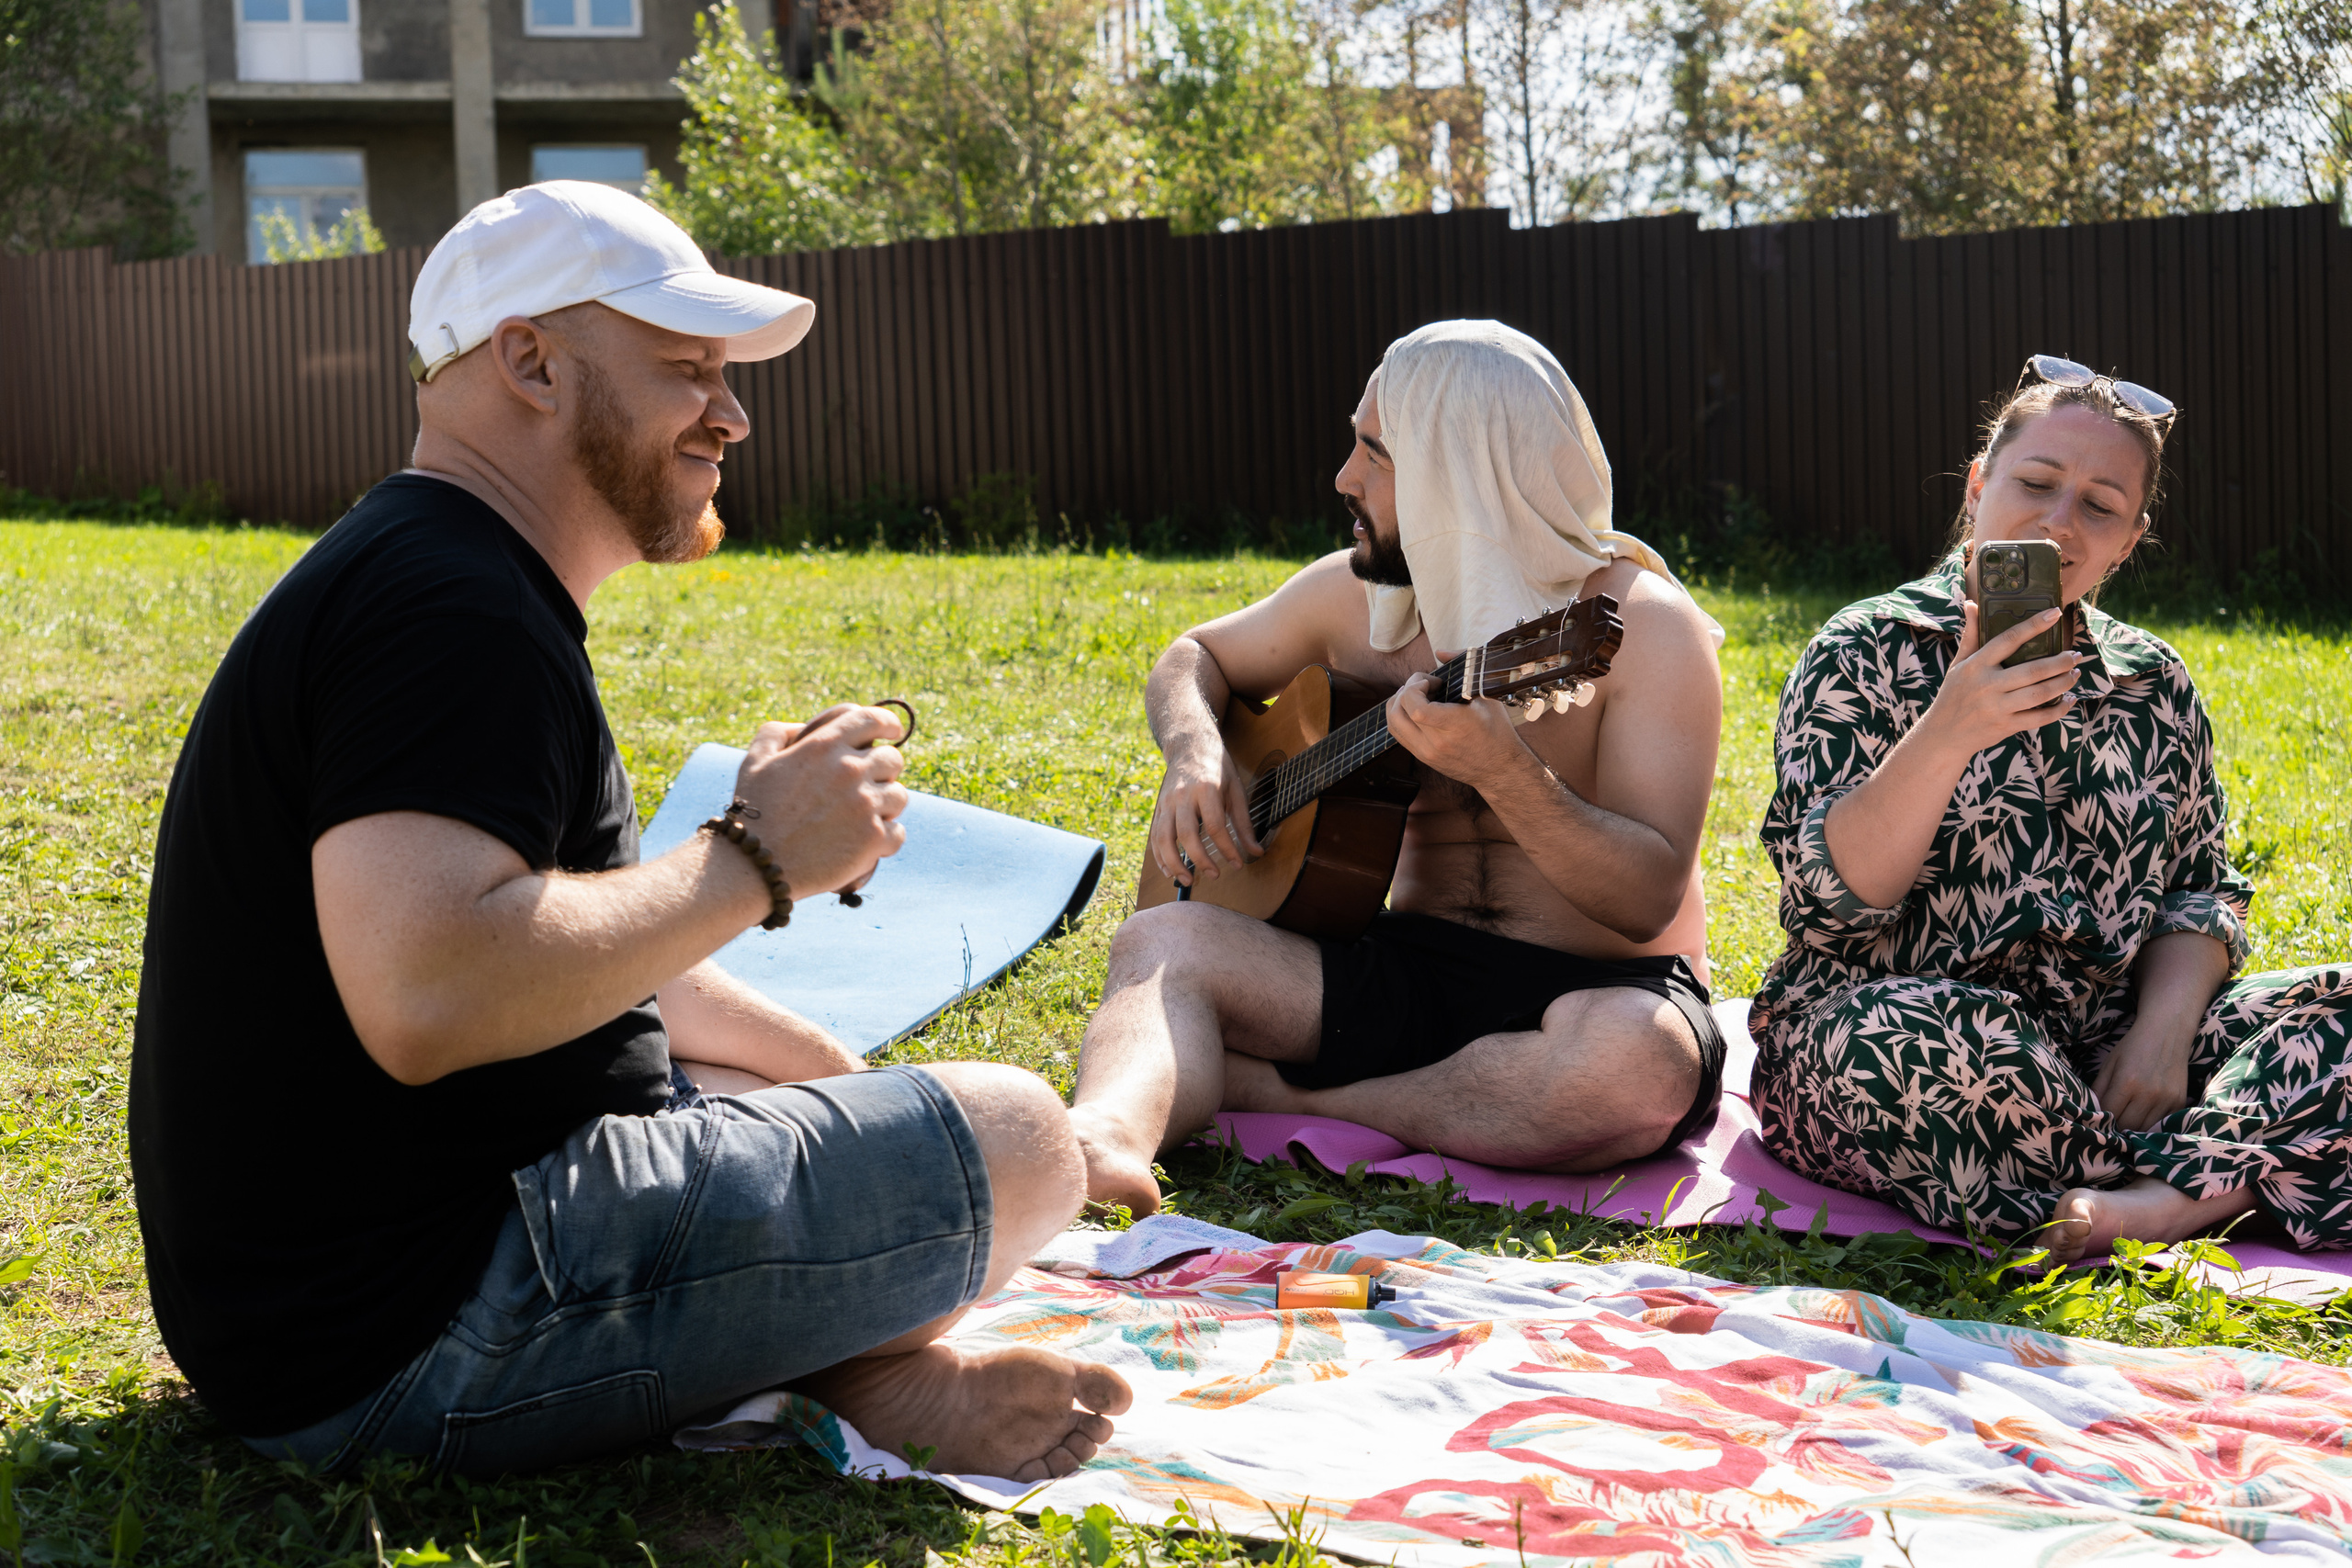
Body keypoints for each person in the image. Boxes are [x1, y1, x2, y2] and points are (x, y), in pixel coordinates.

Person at [128, 182, 1128, 1479]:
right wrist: (752, 857)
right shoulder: (451, 611)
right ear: (531, 363)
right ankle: (860, 1360)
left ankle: (832, 1350)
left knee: (791, 1082)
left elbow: (609, 956)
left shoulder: (448, 573)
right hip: (414, 1341)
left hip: (347, 1307)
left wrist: (831, 1072)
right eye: (684, 367)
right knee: (1020, 1135)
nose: (732, 412)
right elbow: (426, 990)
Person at [1069, 320, 1728, 1216]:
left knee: (1636, 1069)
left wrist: (1504, 772)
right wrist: (1194, 752)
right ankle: (1100, 1142)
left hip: (1596, 987)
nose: (1345, 477)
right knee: (1158, 942)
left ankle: (1275, 1095)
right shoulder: (1355, 598)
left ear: (1458, 474)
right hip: (1401, 971)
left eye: (1374, 453)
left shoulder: (1640, 630)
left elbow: (1647, 897)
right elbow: (1195, 657)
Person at [1749, 355, 2352, 1265]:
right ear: (1979, 486)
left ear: (2129, 540)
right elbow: (1828, 906)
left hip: (2105, 1050)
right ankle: (2220, 1177)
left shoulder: (2153, 684)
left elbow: (2200, 892)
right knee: (1920, 1049)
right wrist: (1947, 730)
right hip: (1896, 1029)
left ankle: (2146, 1203)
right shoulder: (1865, 650)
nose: (2059, 522)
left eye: (2099, 507)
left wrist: (2161, 1035)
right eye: (2034, 484)